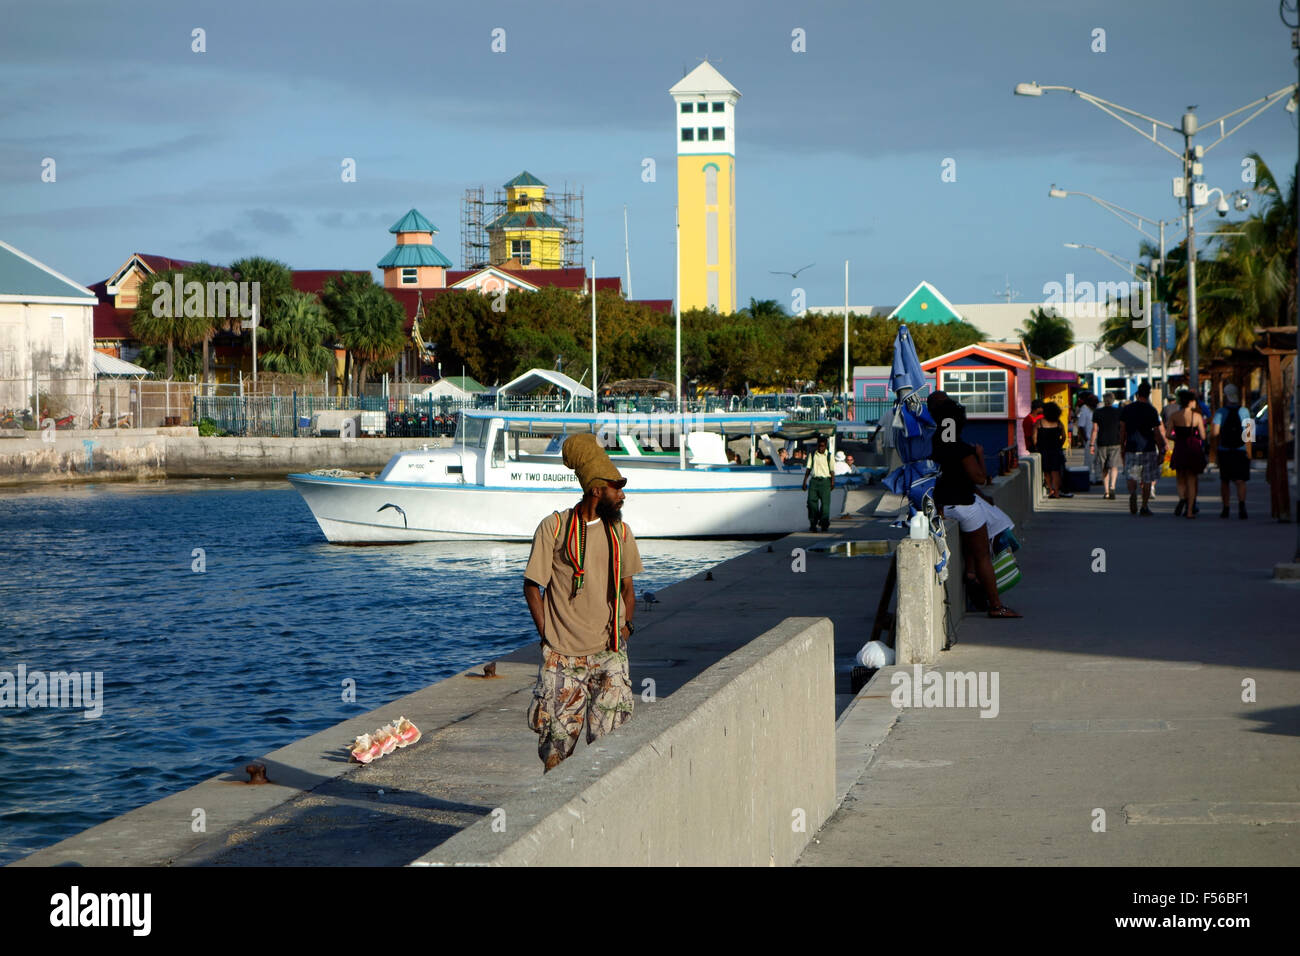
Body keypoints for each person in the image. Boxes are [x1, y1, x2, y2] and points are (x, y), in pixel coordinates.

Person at [523, 433, 644, 772]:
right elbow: (533, 586)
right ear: (596, 490)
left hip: (609, 656)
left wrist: (625, 629)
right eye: (616, 487)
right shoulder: (555, 528)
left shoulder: (621, 533)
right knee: (556, 755)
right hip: (562, 659)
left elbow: (628, 591)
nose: (622, 495)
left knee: (611, 755)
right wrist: (549, 637)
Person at [930, 397, 1020, 618]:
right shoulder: (963, 449)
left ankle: (970, 575)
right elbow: (979, 478)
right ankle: (996, 605)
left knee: (970, 549)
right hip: (964, 506)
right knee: (982, 556)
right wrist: (979, 456)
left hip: (941, 507)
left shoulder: (933, 444)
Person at [1119, 382, 1167, 516]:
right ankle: (1144, 506)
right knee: (1147, 478)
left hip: (1132, 447)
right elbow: (1157, 432)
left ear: (1137, 394)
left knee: (1131, 476)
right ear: (1148, 394)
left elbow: (1122, 430)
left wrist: (1122, 446)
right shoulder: (1151, 410)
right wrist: (1161, 449)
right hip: (1148, 448)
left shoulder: (1127, 409)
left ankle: (1133, 493)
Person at [1211, 382, 1253, 520]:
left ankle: (1226, 508)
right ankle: (1242, 506)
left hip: (1225, 450)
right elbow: (1249, 435)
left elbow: (1215, 433)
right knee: (1240, 480)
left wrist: (1215, 452)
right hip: (1240, 450)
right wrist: (1249, 453)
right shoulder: (1245, 411)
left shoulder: (1220, 412)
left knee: (1225, 480)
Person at [1168, 389, 1207, 518]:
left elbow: (1168, 434)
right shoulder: (1197, 417)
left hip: (1180, 447)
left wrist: (1177, 438)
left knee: (1180, 478)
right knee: (1191, 479)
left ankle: (1182, 499)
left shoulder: (1174, 416)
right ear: (1190, 402)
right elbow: (1203, 435)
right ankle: (1190, 511)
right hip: (1193, 448)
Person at [1090, 391, 1123, 500]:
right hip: (1115, 441)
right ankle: (1112, 486)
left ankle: (1107, 492)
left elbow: (1095, 429)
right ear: (1113, 400)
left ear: (1104, 401)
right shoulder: (1118, 412)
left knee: (1104, 467)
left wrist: (1091, 444)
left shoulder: (1097, 412)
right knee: (1114, 466)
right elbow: (1122, 428)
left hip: (1102, 442)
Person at [1034, 402, 1070, 499]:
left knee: (1046, 471)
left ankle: (1050, 490)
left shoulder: (1039, 423)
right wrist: (1059, 444)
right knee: (1056, 472)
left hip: (1043, 450)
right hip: (1056, 450)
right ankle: (1057, 492)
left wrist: (1037, 447)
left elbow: (1034, 438)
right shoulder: (1058, 423)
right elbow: (1064, 436)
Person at [802, 436, 835, 532]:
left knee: (825, 505)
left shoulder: (829, 455)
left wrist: (832, 482)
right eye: (820, 446)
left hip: (825, 482)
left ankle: (824, 524)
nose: (821, 448)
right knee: (811, 503)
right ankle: (813, 523)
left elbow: (832, 470)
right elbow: (808, 468)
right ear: (817, 445)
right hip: (814, 481)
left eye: (823, 446)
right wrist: (804, 481)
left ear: (826, 446)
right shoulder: (813, 454)